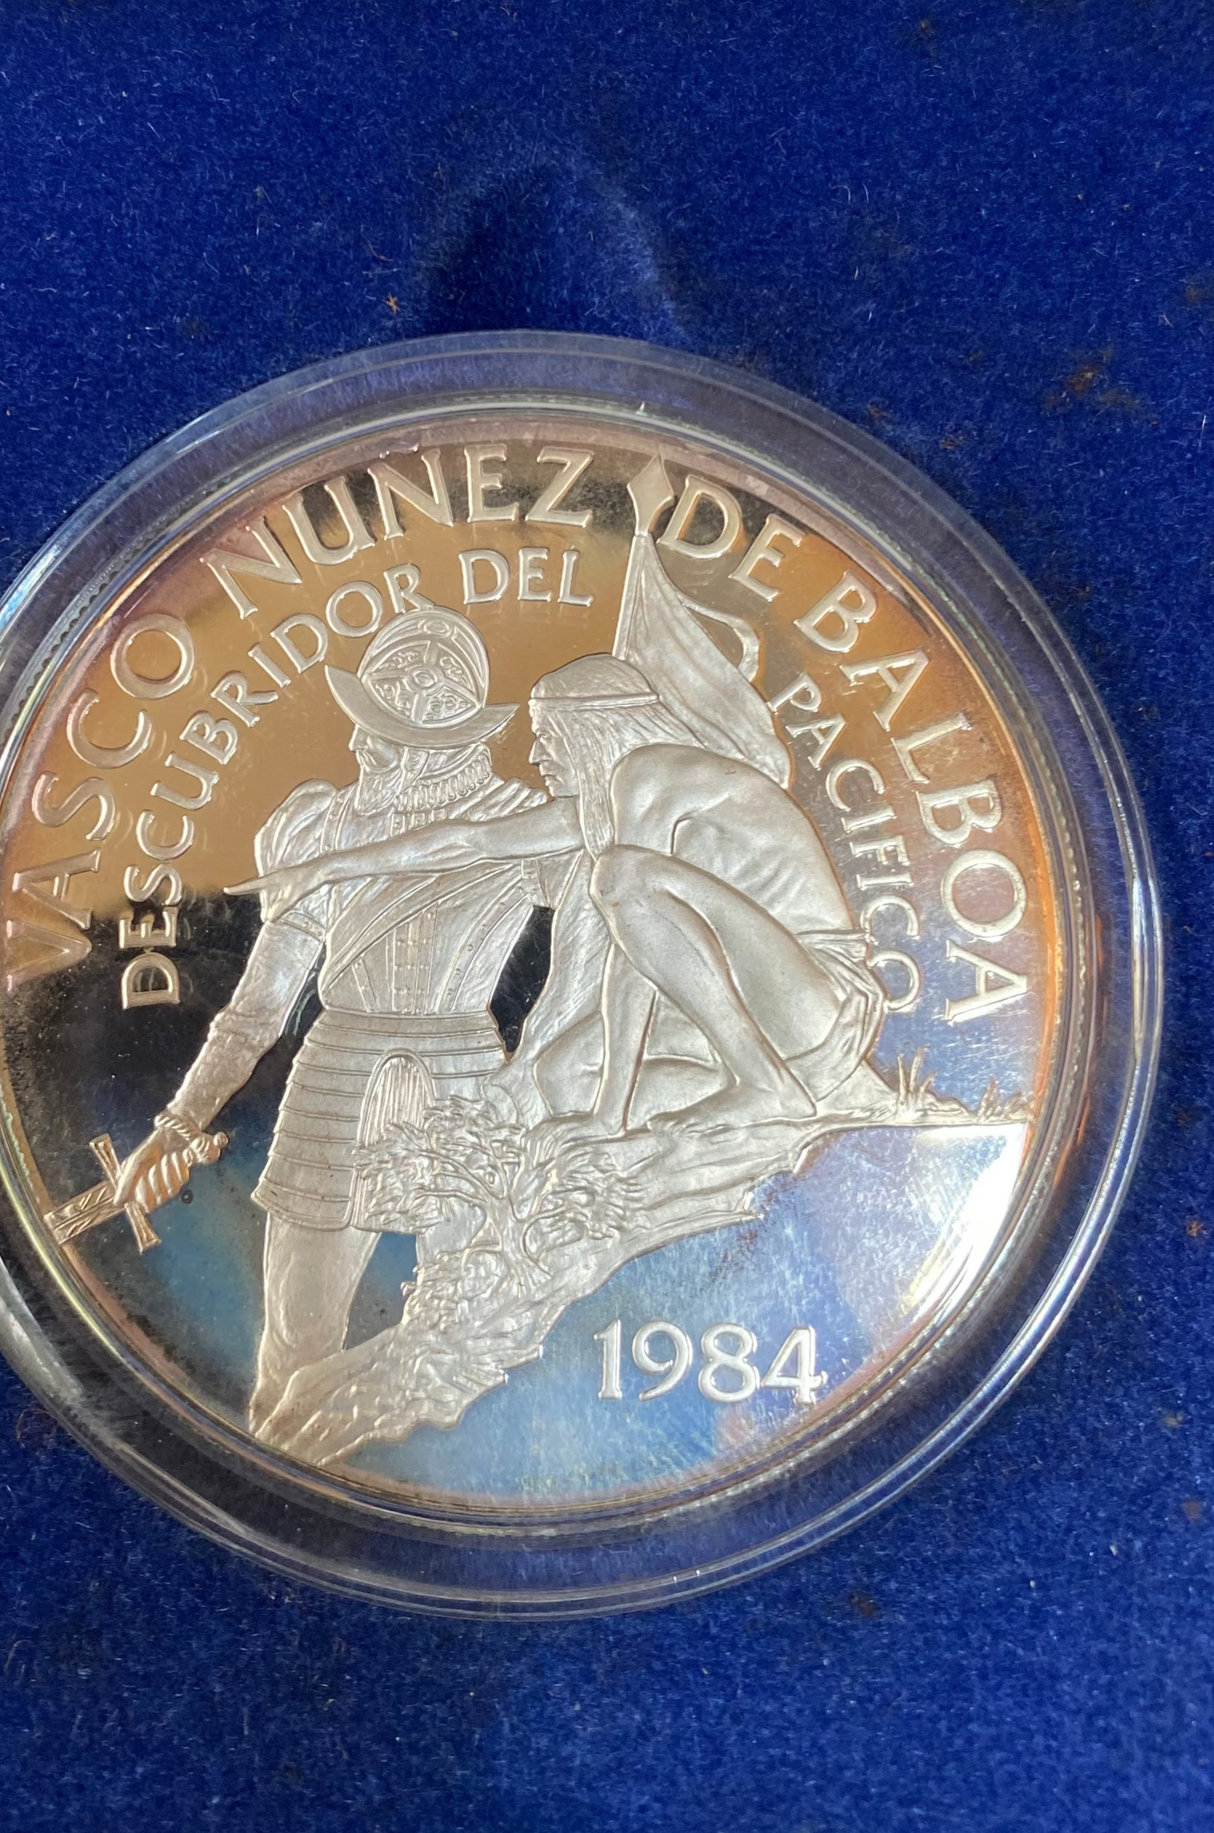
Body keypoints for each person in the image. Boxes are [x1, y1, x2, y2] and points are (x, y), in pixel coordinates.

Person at [115, 609, 548, 1435]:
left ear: (449, 730)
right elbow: (259, 1007)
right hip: (335, 1082)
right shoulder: (322, 827)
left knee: (474, 1338)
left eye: (391, 727)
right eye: (372, 718)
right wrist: (179, 1124)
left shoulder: (525, 824)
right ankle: (276, 1472)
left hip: (467, 1087)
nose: (363, 744)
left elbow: (618, 937)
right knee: (294, 1344)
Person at [242, 650, 884, 1140]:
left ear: (590, 732)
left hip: (816, 994)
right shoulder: (612, 803)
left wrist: (612, 1111)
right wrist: (325, 869)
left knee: (620, 878)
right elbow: (469, 841)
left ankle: (766, 1084)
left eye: (548, 734)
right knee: (559, 1075)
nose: (536, 754)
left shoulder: (652, 774)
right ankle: (773, 1087)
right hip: (764, 1002)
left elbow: (630, 941)